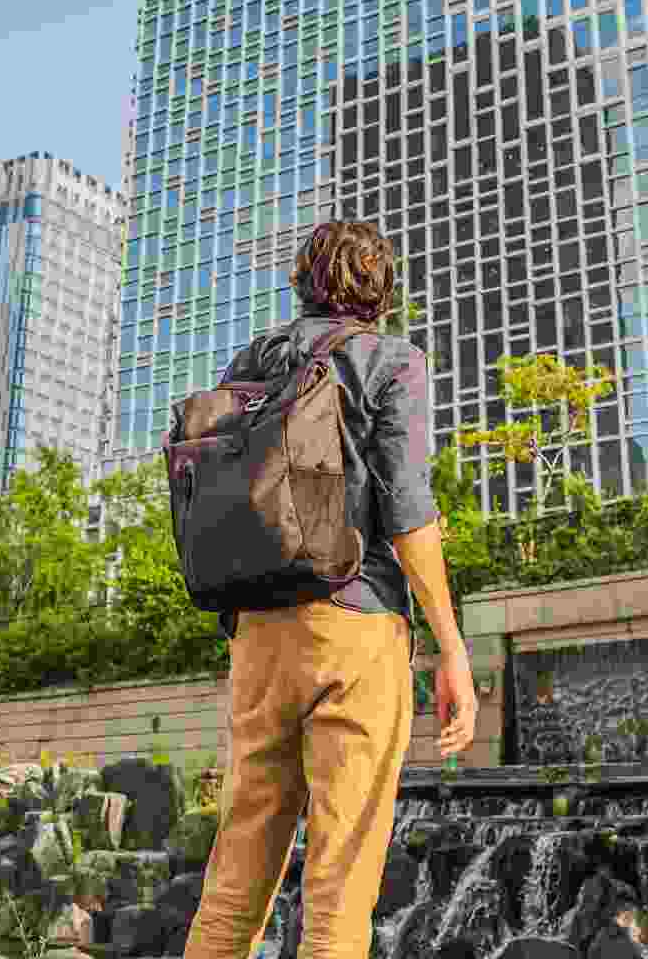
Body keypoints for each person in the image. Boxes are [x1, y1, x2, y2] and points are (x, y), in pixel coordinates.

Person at [182, 220, 476, 959]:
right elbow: (407, 506)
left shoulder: (250, 359)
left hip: (258, 634)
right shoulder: (391, 361)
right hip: (356, 625)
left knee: (236, 872)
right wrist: (451, 648)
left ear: (301, 280)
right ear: (381, 291)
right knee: (339, 877)